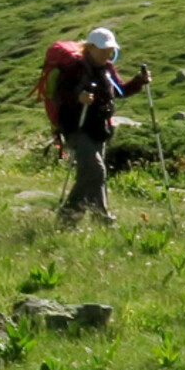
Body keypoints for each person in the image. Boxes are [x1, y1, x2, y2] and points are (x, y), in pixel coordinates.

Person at [52, 27, 150, 224]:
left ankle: (93, 218)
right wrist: (78, 97)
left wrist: (139, 82)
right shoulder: (74, 68)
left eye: (110, 50)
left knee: (90, 176)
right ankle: (75, 216)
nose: (107, 53)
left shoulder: (107, 68)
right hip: (77, 128)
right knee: (97, 171)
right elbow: (60, 95)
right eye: (103, 49)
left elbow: (120, 91)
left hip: (99, 128)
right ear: (90, 47)